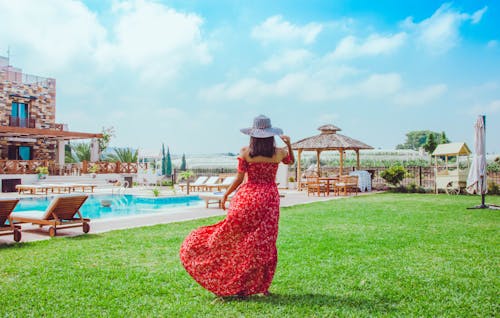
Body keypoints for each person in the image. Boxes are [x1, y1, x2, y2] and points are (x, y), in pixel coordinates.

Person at [179, 114, 295, 298]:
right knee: (264, 243)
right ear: (271, 134)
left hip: (246, 199)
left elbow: (239, 179)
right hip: (268, 200)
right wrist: (289, 144)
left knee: (231, 237)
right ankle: (261, 287)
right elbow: (291, 161)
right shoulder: (279, 153)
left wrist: (225, 194)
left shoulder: (245, 152)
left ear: (253, 134)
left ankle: (229, 280)